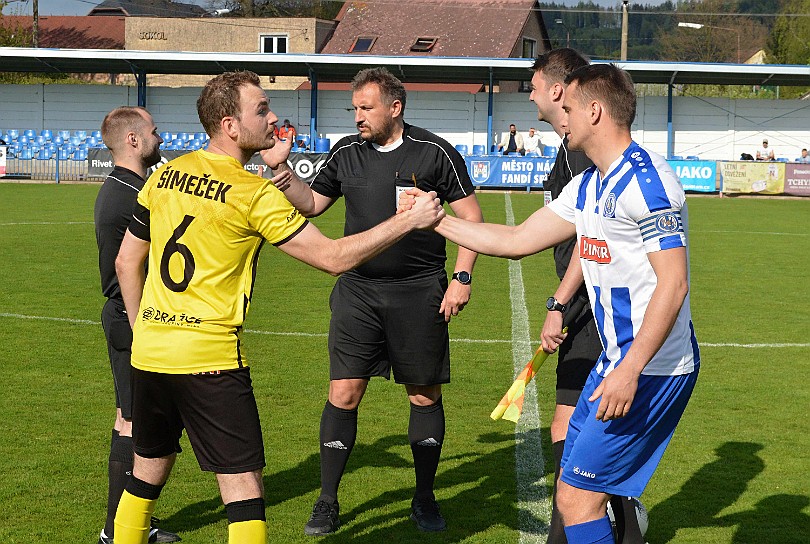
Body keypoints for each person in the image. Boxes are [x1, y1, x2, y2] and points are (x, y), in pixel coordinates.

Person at [112, 70, 444, 544]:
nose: (273, 119)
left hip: (150, 354)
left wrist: (145, 327)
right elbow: (332, 258)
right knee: (244, 491)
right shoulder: (252, 193)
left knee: (147, 471)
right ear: (229, 125)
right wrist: (405, 221)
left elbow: (128, 260)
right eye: (262, 109)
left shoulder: (164, 174)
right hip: (209, 360)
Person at [405, 63, 699, 544]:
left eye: (568, 107)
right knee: (573, 490)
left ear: (595, 111)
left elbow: (674, 283)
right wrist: (435, 219)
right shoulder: (592, 183)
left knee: (579, 500)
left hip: (653, 370)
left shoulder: (649, 184)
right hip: (617, 362)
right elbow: (518, 238)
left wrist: (630, 369)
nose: (560, 115)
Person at [269, 66, 483, 536]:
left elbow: (472, 217)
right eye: (355, 108)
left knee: (423, 394)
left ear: (395, 107)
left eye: (366, 108)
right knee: (343, 393)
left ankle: (423, 498)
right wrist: (281, 171)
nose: (358, 116)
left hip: (419, 291)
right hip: (358, 291)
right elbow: (312, 205)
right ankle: (327, 501)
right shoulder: (346, 151)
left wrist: (461, 276)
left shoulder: (435, 153)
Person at [530, 49, 645, 544]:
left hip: (600, 321)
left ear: (562, 92)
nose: (530, 93)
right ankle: (616, 518)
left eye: (534, 84)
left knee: (575, 445)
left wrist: (559, 304)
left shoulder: (589, 153)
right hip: (585, 313)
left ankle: (619, 517)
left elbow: (589, 240)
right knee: (576, 440)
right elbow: (529, 239)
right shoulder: (573, 150)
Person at [94, 106, 180, 544]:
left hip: (128, 318)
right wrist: (142, 324)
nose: (159, 136)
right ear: (132, 140)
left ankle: (127, 523)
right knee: (134, 424)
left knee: (130, 419)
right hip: (133, 318)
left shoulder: (128, 186)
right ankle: (117, 530)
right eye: (153, 131)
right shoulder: (132, 193)